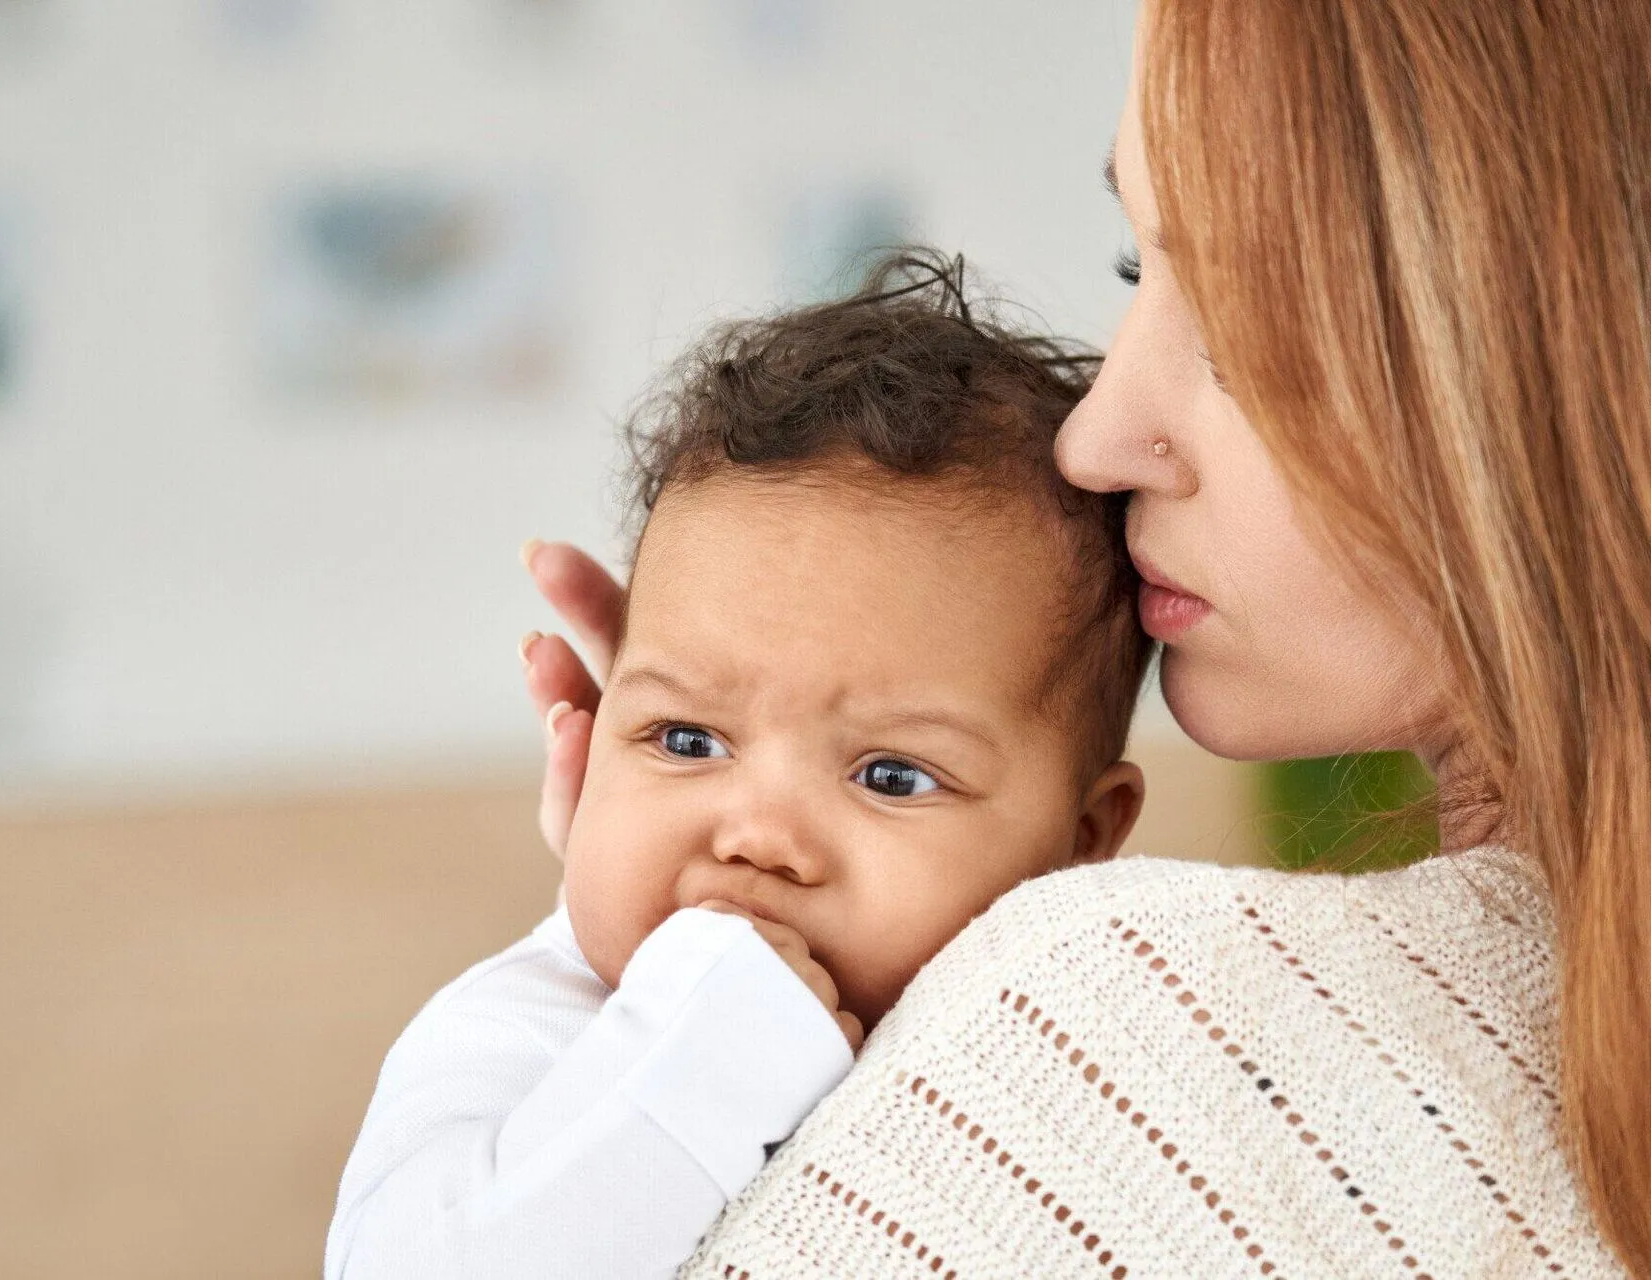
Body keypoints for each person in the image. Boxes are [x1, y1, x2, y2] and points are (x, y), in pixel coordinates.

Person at [522, 2, 1651, 1276]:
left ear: (1565, 364)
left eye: (1240, 331)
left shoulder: (1099, 1028)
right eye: (1136, 271)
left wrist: (614, 967)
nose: (1096, 437)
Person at [324, 258, 1154, 1280]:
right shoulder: (526, 1029)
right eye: (685, 740)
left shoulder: (1090, 1063)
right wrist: (707, 1043)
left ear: (1084, 840)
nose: (758, 834)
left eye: (891, 776)